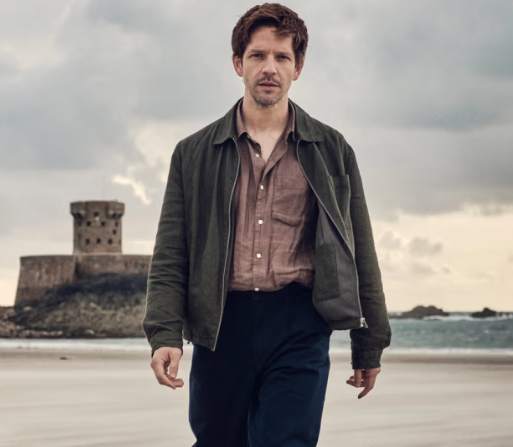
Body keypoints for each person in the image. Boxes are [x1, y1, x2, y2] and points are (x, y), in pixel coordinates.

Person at [141, 3, 392, 446]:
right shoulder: (193, 152)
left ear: (299, 67)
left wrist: (368, 341)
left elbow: (360, 250)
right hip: (222, 324)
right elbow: (171, 253)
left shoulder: (332, 149)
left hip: (300, 322)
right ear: (238, 63)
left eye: (282, 57)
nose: (269, 68)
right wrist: (165, 333)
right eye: (258, 56)